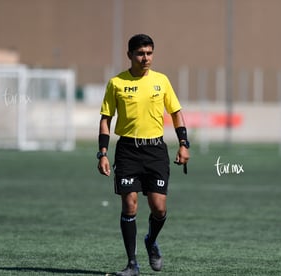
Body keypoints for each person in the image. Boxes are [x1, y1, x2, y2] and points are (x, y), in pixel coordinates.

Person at [97, 34, 190, 276]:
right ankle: (132, 264)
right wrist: (103, 153)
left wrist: (183, 144)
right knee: (130, 205)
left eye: (149, 53)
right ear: (129, 55)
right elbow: (106, 119)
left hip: (156, 150)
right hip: (128, 150)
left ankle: (151, 240)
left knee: (158, 207)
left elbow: (176, 113)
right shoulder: (116, 83)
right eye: (140, 53)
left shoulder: (162, 81)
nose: (145, 58)